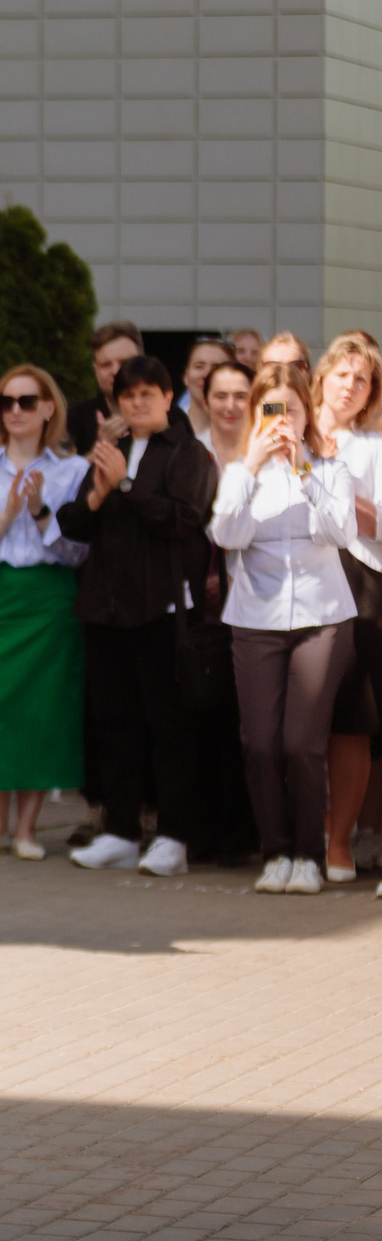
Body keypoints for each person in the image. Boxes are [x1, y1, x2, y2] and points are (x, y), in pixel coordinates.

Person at [57, 353, 216, 878]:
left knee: (169, 728)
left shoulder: (188, 451)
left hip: (162, 610)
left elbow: (185, 519)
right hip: (105, 606)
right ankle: (121, 831)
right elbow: (73, 524)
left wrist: (125, 485)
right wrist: (101, 492)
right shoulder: (112, 448)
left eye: (148, 393)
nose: (138, 402)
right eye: (128, 396)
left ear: (169, 398)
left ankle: (174, 836)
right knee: (113, 725)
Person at [212, 356, 359, 894]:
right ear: (256, 416)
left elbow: (340, 533)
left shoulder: (329, 469)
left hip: (322, 618)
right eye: (270, 411)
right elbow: (226, 535)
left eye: (291, 411)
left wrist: (303, 471)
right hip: (255, 618)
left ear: (307, 415)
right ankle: (276, 852)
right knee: (259, 744)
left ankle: (309, 857)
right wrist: (248, 467)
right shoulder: (240, 474)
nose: (281, 422)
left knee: (302, 743)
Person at [0, 367, 89, 858]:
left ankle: (26, 830)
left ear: (49, 408)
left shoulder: (73, 471)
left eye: (27, 402)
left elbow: (79, 551)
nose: (15, 411)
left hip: (49, 599)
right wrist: (6, 515)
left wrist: (38, 512)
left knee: (40, 712)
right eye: (7, 402)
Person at [309, 334, 382, 880]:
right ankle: (293, 833)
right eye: (342, 374)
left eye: (362, 380)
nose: (350, 386)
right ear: (322, 378)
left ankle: (339, 841)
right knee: (294, 717)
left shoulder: (373, 449)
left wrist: (342, 493)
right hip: (288, 581)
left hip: (358, 582)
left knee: (351, 716)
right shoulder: (284, 432)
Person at [186, 356, 260, 868]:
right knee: (202, 719)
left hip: (262, 606)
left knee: (249, 726)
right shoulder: (191, 456)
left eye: (241, 396)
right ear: (204, 399)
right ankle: (202, 831)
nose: (230, 405)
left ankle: (245, 833)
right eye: (221, 396)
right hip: (201, 608)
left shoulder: (269, 454)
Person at [66, 321, 150, 455]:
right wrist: (99, 449)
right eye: (106, 365)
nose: (116, 371)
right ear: (96, 370)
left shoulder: (171, 418)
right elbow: (63, 475)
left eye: (124, 362)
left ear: (144, 364)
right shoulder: (73, 419)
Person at [179, 335, 237, 425]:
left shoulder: (247, 427)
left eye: (216, 368)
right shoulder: (168, 426)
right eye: (199, 366)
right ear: (186, 376)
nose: (206, 375)